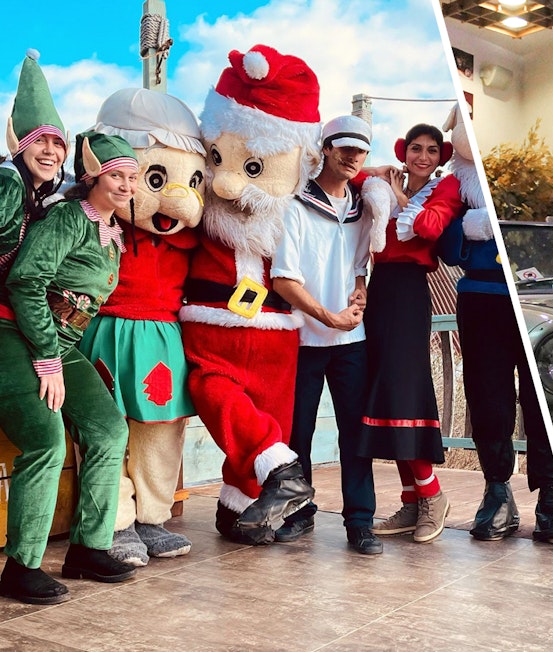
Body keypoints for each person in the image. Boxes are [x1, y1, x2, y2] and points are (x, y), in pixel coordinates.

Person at [180, 45, 319, 545]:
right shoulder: (200, 212)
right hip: (212, 327)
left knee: (270, 419)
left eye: (253, 169)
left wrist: (382, 188)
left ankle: (240, 508)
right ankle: (284, 472)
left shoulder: (300, 214)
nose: (227, 182)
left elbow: (347, 188)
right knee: (212, 391)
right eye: (217, 159)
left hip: (277, 330)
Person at [0, 127, 141, 605]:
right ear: (90, 177)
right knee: (46, 440)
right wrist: (44, 354)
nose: (126, 185)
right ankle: (22, 567)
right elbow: (25, 281)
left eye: (132, 177)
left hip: (64, 343)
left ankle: (89, 548)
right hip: (15, 335)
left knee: (108, 429)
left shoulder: (110, 231)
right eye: (115, 175)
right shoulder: (68, 218)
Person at [77, 88, 206, 567]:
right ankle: (115, 520)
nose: (179, 198)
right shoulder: (94, 223)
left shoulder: (191, 241)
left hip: (164, 339)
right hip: (106, 332)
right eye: (157, 176)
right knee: (107, 430)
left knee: (161, 432)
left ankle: (152, 515)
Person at [437, 105, 553, 543]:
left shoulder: (531, 192)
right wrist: (467, 224)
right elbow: (445, 244)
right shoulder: (457, 181)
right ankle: (497, 491)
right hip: (479, 299)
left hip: (533, 304)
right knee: (488, 399)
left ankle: (551, 495)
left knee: (542, 399)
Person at [271, 114, 391, 555]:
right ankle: (299, 514)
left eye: (360, 150)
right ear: (326, 148)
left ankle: (360, 522)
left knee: (355, 435)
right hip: (303, 341)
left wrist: (358, 294)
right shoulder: (295, 205)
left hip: (351, 344)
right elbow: (283, 278)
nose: (352, 156)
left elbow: (360, 268)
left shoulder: (364, 210)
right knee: (296, 433)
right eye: (344, 147)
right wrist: (327, 316)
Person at [361, 123, 462, 544]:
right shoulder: (386, 180)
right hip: (379, 286)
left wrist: (400, 196)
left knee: (404, 388)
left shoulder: (446, 188)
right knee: (382, 389)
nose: (423, 156)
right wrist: (382, 171)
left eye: (432, 150)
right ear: (405, 152)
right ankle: (410, 499)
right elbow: (349, 174)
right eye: (416, 148)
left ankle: (432, 494)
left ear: (441, 156)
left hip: (409, 291)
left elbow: (430, 229)